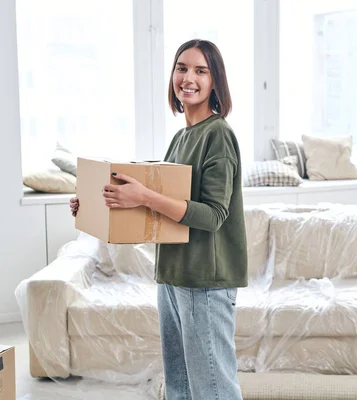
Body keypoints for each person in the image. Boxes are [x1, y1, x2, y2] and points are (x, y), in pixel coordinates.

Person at [70, 39, 247, 400]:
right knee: (180, 389)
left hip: (205, 283)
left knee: (212, 390)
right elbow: (159, 212)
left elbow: (213, 216)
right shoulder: (182, 137)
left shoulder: (219, 136)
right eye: (182, 68)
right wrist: (94, 205)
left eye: (201, 70)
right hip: (172, 276)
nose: (188, 77)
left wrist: (145, 196)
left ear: (216, 82)